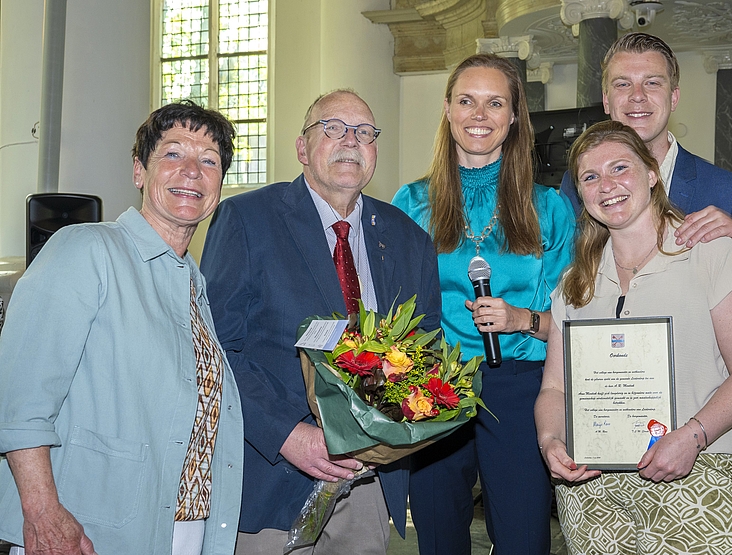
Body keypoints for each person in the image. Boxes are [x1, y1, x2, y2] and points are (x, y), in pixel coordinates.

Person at [200, 89, 441, 555]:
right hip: (270, 471)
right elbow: (215, 350)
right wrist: (288, 434)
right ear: (302, 148)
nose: (350, 141)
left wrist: (393, 431)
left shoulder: (410, 239)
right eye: (332, 128)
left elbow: (424, 354)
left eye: (364, 133)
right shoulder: (248, 219)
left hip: (370, 480)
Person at [0, 101, 243, 555]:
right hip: (89, 531)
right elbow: (19, 400)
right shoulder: (86, 249)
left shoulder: (193, 282)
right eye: (172, 154)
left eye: (208, 161)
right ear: (139, 172)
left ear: (218, 186)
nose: (191, 171)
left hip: (183, 527)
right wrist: (43, 512)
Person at [536, 119, 732, 554]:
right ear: (581, 195)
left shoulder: (712, 254)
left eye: (620, 168)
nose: (607, 185)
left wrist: (693, 436)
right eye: (590, 176)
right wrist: (550, 440)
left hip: (697, 472)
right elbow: (554, 387)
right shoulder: (574, 284)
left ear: (651, 174)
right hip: (592, 488)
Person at [392, 53, 575, 555]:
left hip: (519, 382)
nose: (479, 114)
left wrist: (522, 319)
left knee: (522, 538)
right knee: (439, 537)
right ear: (448, 109)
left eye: (495, 103)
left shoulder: (549, 207)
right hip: (433, 382)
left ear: (515, 116)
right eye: (467, 101)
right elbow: (390, 308)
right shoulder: (410, 203)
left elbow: (572, 317)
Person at [559, 32, 732, 307]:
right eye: (623, 84)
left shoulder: (730, 192)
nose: (637, 96)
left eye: (652, 83)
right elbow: (565, 279)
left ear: (673, 97)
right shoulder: (578, 187)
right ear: (606, 100)